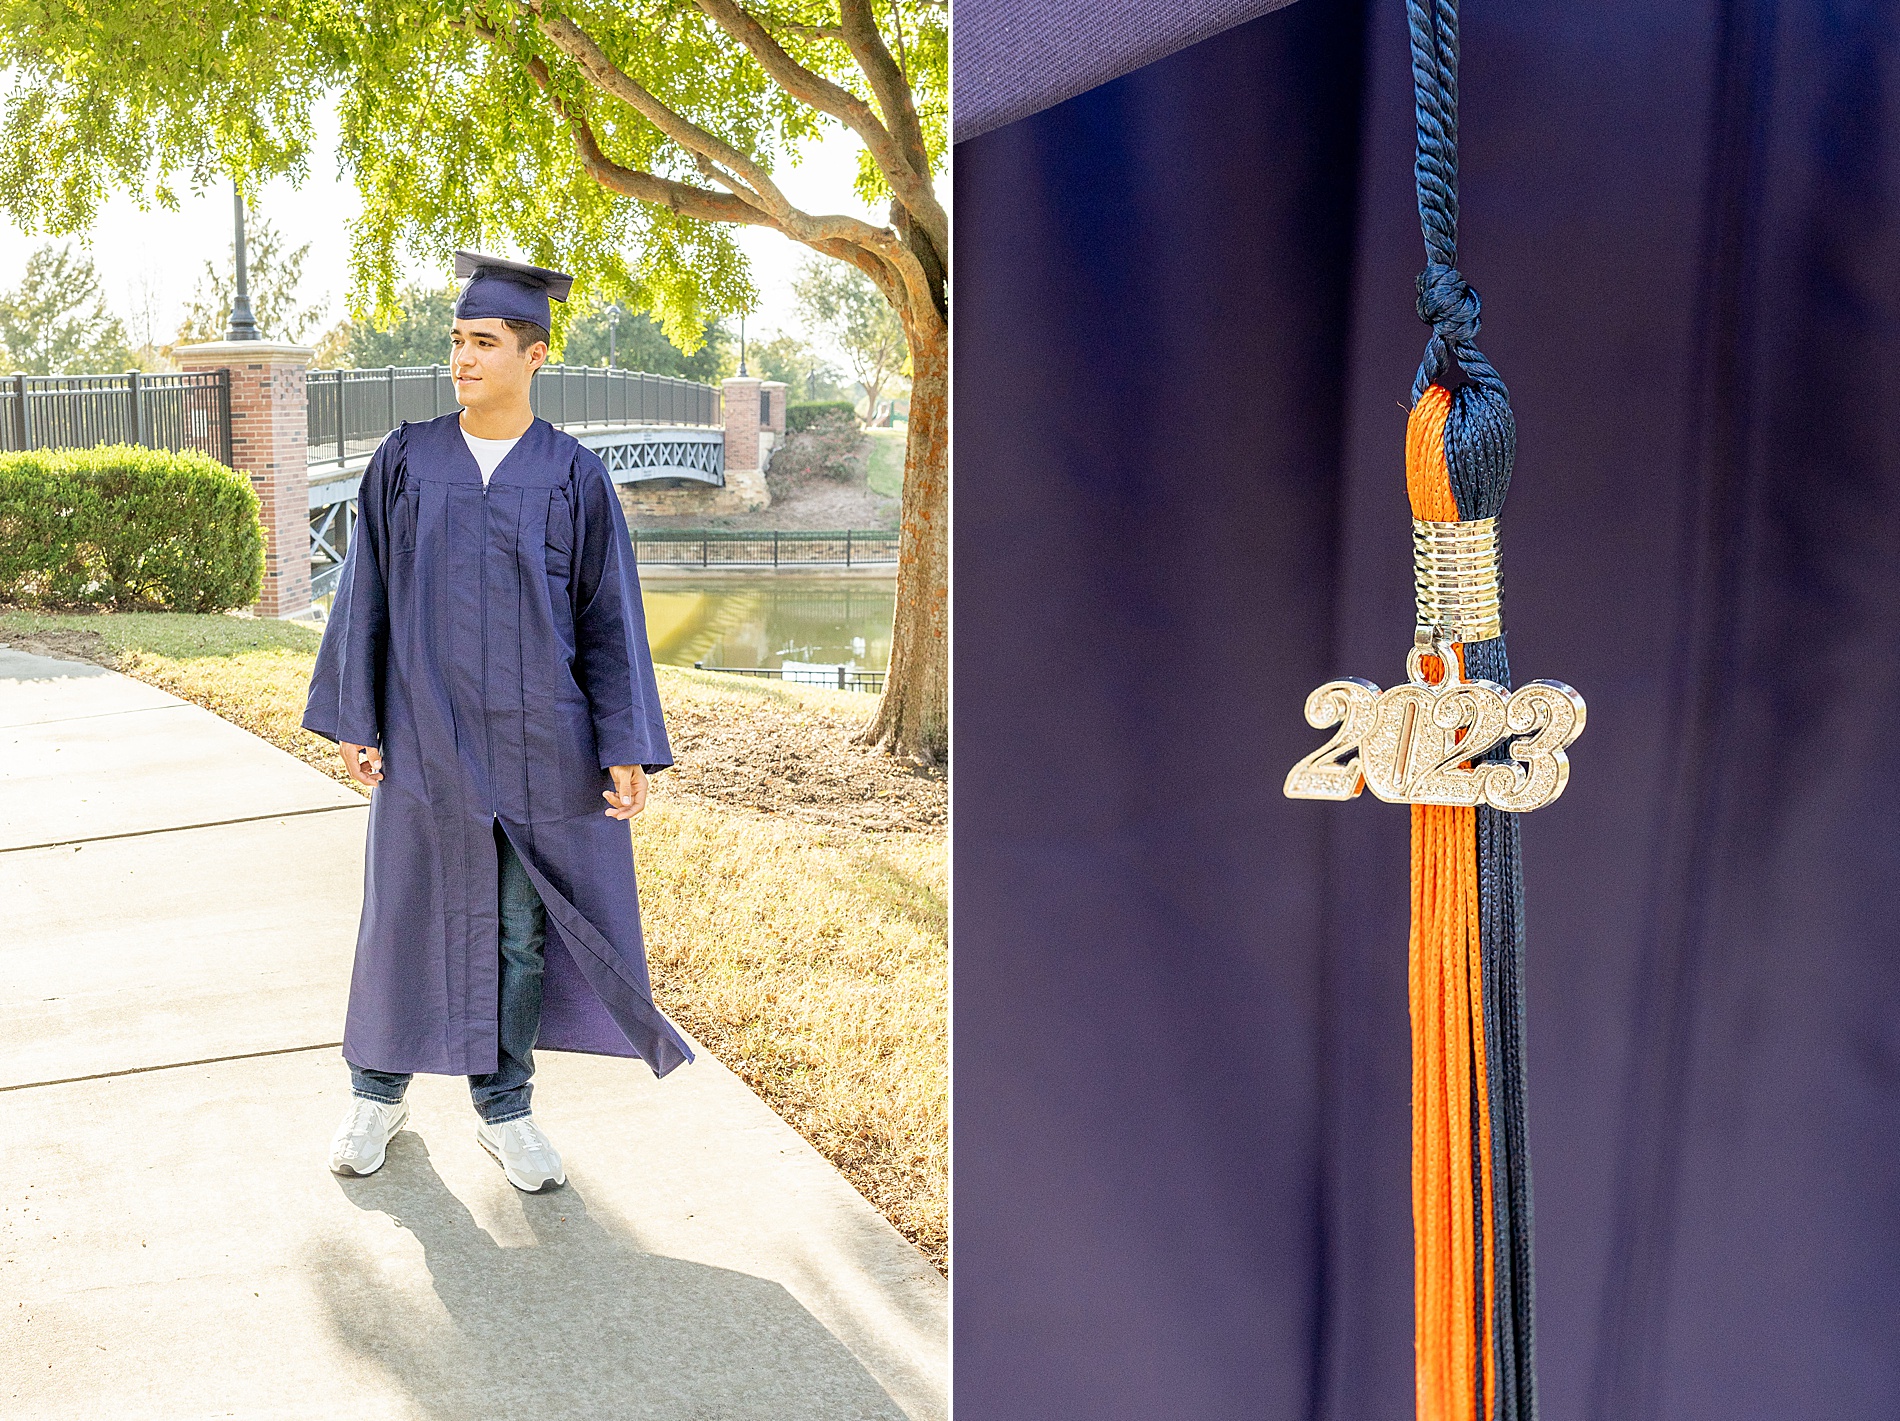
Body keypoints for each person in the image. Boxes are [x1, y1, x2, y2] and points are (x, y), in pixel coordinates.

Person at [302, 250, 692, 1193]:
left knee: (518, 934)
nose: (464, 359)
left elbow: (609, 618)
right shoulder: (405, 461)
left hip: (538, 746)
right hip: (427, 735)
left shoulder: (573, 475)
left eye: (484, 342)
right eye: (458, 342)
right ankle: (376, 1093)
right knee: (402, 912)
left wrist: (625, 740)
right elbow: (366, 595)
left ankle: (506, 1108)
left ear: (533, 355)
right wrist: (358, 713)